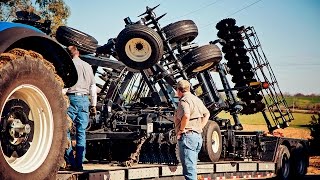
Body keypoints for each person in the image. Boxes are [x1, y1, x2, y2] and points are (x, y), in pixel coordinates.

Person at [64, 45, 97, 171]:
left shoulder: (68, 64)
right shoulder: (87, 66)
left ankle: (70, 160)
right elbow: (93, 88)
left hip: (71, 99)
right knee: (81, 132)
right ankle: (80, 162)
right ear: (78, 52)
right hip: (84, 100)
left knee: (64, 129)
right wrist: (93, 105)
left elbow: (64, 88)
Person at [174, 80, 210, 180]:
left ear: (179, 90)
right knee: (192, 166)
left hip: (187, 137)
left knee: (189, 170)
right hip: (197, 137)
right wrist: (200, 127)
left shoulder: (184, 100)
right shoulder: (197, 99)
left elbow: (186, 115)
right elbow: (207, 114)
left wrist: (181, 130)